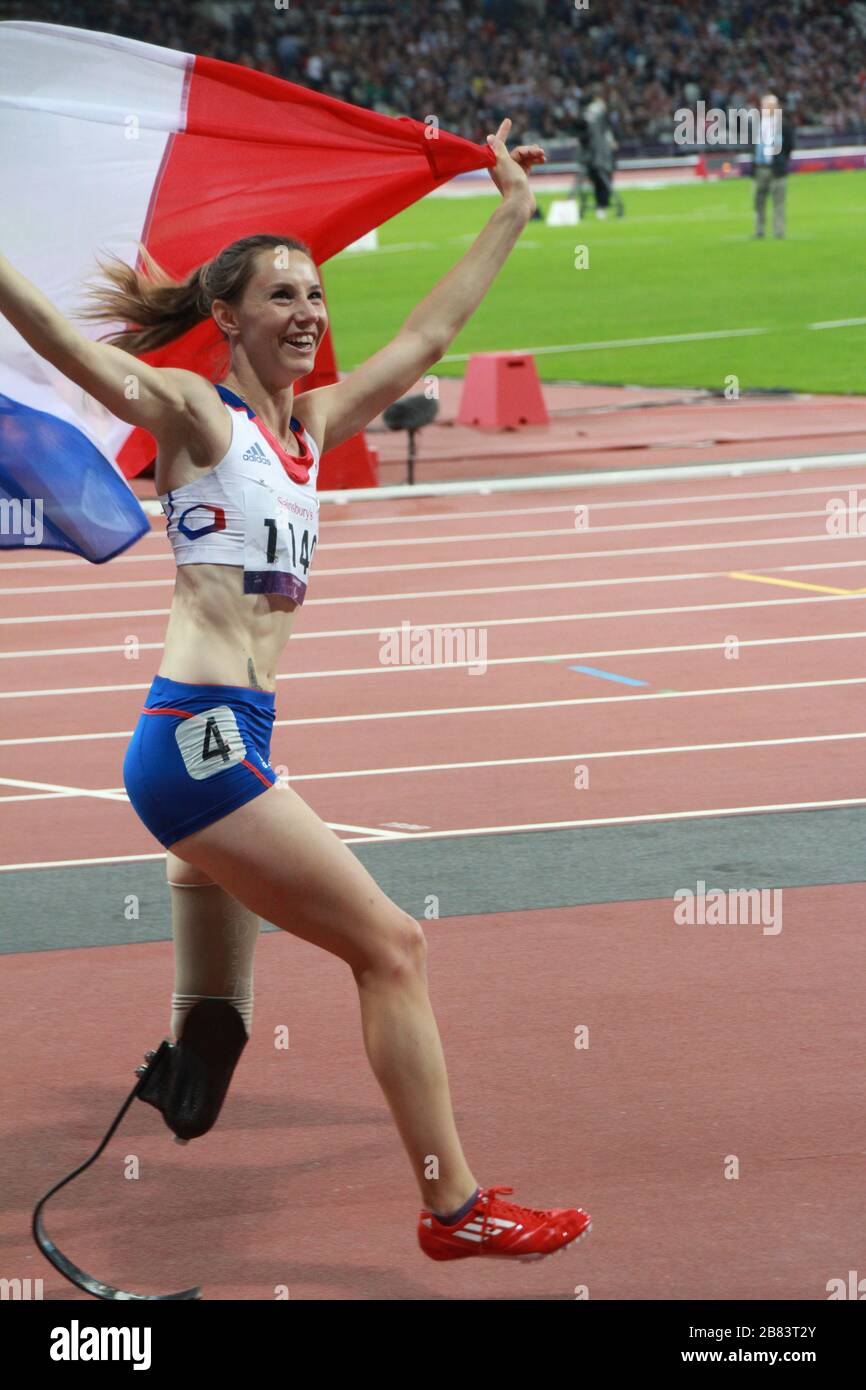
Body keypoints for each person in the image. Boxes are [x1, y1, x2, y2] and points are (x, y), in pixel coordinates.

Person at [4, 118, 591, 1267]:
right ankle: (452, 1204)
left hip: (231, 738)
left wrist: (511, 208)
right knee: (391, 947)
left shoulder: (311, 429)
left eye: (317, 295)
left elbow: (427, 333)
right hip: (196, 738)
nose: (309, 314)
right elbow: (83, 357)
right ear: (227, 318)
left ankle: (197, 1039)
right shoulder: (195, 415)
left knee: (234, 986)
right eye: (282, 295)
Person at [751, 92, 794, 239]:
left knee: (778, 202)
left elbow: (789, 146)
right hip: (760, 168)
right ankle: (759, 230)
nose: (767, 109)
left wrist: (780, 161)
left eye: (770, 106)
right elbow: (752, 146)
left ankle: (779, 230)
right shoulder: (756, 125)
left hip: (777, 169)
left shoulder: (784, 125)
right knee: (758, 201)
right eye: (765, 106)